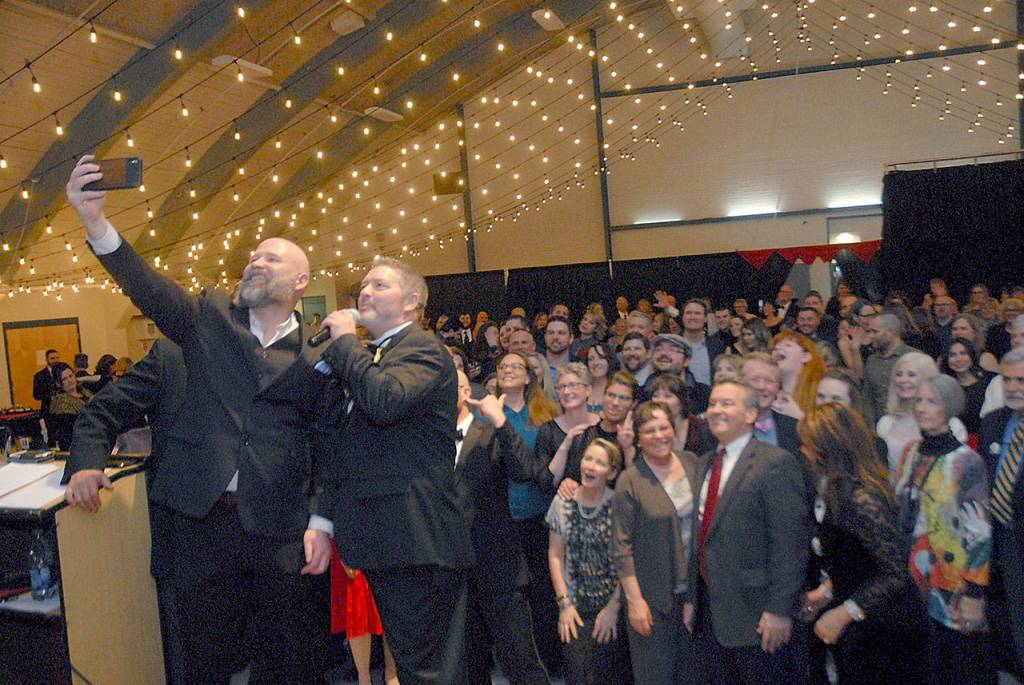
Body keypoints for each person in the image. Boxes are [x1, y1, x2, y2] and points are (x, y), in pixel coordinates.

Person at [67, 154, 333, 684]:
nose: (256, 262)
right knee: (202, 661)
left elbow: (327, 443)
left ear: (301, 280)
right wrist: (97, 224)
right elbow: (151, 289)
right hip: (199, 527)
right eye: (253, 256)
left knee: (287, 661)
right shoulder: (208, 318)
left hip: (280, 531)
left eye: (272, 258)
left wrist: (322, 522)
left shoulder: (319, 355)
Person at [315, 257, 474, 685]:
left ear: (411, 303)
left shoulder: (420, 348)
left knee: (429, 669)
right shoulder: (377, 355)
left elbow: (384, 402)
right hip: (391, 538)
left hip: (418, 538)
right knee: (413, 664)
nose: (364, 292)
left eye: (378, 285)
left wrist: (346, 341)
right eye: (362, 286)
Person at [64, 338, 192, 683]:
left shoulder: (294, 351)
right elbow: (102, 411)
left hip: (271, 537)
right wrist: (87, 464)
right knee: (188, 660)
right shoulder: (172, 356)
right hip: (186, 539)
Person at [685, 379, 809, 685]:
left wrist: (780, 610)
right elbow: (701, 539)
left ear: (752, 414)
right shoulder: (705, 465)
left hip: (758, 615)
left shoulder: (774, 463)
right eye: (713, 404)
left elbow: (790, 544)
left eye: (727, 403)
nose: (716, 410)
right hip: (712, 612)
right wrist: (693, 598)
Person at [797, 404, 927, 684]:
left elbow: (894, 574)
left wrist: (846, 612)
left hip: (886, 630)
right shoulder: (832, 489)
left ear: (823, 448)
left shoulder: (862, 499)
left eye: (806, 444)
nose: (802, 451)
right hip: (860, 626)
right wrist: (827, 592)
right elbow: (855, 561)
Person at [893, 375, 995, 685]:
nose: (922, 408)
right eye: (919, 401)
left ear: (949, 408)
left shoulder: (966, 461)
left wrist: (975, 593)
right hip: (914, 577)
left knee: (957, 667)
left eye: (932, 402)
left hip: (952, 582)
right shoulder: (913, 451)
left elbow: (978, 531)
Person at [453, 371, 551, 685]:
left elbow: (525, 471)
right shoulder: (429, 436)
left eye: (447, 385)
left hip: (499, 567)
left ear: (466, 390)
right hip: (454, 571)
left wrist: (500, 421)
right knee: (469, 668)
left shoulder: (490, 429)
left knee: (521, 662)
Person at [613, 402, 702, 684]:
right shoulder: (630, 480)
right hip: (651, 600)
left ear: (673, 429)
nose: (659, 435)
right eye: (649, 430)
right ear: (639, 438)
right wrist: (635, 601)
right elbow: (621, 547)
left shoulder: (692, 463)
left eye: (663, 427)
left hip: (694, 594)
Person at [548, 438, 631, 685]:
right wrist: (564, 605)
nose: (590, 466)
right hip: (574, 606)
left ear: (612, 472)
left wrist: (614, 608)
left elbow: (626, 559)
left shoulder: (619, 504)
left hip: (611, 606)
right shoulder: (562, 501)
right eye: (588, 459)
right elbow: (555, 555)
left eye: (599, 462)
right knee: (576, 674)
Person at [979, 348, 1024, 677]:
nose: (1012, 387)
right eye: (1006, 379)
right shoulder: (992, 422)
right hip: (1002, 542)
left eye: (1021, 380)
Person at [545, 371, 639, 499]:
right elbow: (571, 477)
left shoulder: (637, 439)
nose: (615, 402)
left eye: (623, 398)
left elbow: (638, 489)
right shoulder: (583, 435)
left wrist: (627, 449)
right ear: (603, 396)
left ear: (633, 403)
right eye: (611, 395)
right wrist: (568, 483)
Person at [876, 352, 967, 479]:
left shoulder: (952, 425)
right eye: (899, 374)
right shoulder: (885, 423)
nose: (903, 380)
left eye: (911, 375)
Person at [329, 545, 399, 685]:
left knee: (393, 602)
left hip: (389, 537)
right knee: (357, 605)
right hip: (351, 537)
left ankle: (392, 673)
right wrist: (345, 547)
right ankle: (364, 679)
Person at [736, 353, 802, 457]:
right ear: (739, 384)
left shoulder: (795, 429)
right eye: (755, 380)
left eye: (769, 381)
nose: (762, 386)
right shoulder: (723, 427)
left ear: (778, 387)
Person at [863, 313, 918, 429]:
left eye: (875, 332)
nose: (871, 336)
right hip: (879, 430)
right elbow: (868, 399)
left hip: (910, 428)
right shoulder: (871, 360)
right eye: (869, 332)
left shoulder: (914, 358)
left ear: (891, 332)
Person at [941, 337, 997, 439]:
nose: (958, 359)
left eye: (963, 353)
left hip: (988, 439)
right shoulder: (944, 389)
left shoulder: (991, 380)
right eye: (952, 355)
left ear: (971, 355)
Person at [770, 330, 826, 419]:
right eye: (775, 348)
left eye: (787, 345)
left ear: (805, 356)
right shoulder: (767, 393)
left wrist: (798, 416)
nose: (777, 347)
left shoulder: (821, 393)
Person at [649, 373, 706, 455]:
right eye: (655, 395)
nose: (660, 401)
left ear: (681, 402)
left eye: (668, 396)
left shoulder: (702, 429)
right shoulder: (650, 430)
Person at [46, 363, 89, 451]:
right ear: (58, 383)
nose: (70, 380)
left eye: (71, 376)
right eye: (64, 379)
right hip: (75, 446)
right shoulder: (60, 402)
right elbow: (74, 428)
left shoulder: (86, 392)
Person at [32, 348, 62, 431]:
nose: (56, 360)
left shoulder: (65, 373)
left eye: (57, 357)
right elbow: (36, 395)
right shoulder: (39, 376)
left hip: (63, 410)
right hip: (47, 412)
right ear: (46, 360)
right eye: (52, 358)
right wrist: (50, 396)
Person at [585, 343, 619, 413]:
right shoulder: (582, 388)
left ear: (610, 361)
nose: (595, 363)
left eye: (601, 358)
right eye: (591, 359)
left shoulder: (618, 389)